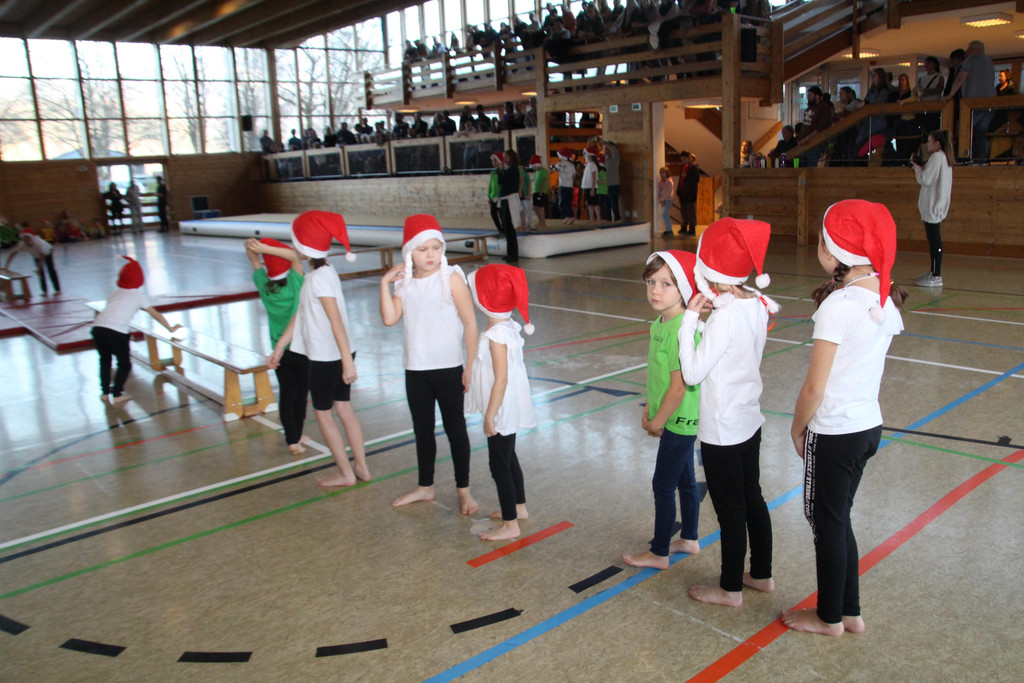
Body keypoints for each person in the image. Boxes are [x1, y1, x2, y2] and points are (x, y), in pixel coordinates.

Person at [783, 199, 906, 636]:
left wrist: (797, 429)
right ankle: (849, 612)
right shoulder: (883, 298)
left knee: (826, 524)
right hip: (867, 428)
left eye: (821, 239)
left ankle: (829, 617)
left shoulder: (839, 307)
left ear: (834, 252)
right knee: (838, 519)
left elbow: (814, 388)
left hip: (834, 432)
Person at [677, 217, 779, 607]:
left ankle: (730, 588)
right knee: (752, 498)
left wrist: (690, 322)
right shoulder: (755, 303)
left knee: (730, 510)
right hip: (748, 420)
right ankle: (762, 573)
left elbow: (692, 373)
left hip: (722, 430)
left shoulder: (723, 318)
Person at [382, 214, 480, 515]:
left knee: (455, 429)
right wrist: (385, 283)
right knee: (422, 430)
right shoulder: (404, 283)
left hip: (448, 368)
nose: (430, 255)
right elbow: (389, 318)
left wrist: (469, 366)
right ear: (410, 251)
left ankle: (463, 490)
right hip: (416, 370)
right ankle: (425, 486)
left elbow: (470, 323)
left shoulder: (451, 278)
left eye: (436, 248)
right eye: (423, 249)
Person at [269, 211, 370, 487]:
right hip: (338, 352)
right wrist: (281, 346)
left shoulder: (318, 279)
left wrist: (347, 362)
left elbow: (335, 319)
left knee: (324, 413)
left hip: (329, 356)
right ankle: (361, 467)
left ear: (303, 246)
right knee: (343, 408)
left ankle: (346, 473)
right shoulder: (323, 272)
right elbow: (301, 312)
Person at [622, 250, 702, 569]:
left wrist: (658, 421)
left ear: (684, 288)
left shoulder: (682, 330)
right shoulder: (660, 323)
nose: (655, 290)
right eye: (651, 282)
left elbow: (679, 387)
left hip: (678, 419)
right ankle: (690, 538)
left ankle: (659, 552)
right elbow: (658, 376)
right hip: (669, 415)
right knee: (685, 480)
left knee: (663, 485)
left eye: (666, 283)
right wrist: (650, 407)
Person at [465, 264, 537, 541]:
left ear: (485, 300)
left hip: (501, 408)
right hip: (507, 405)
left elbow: (501, 379)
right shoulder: (506, 326)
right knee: (509, 457)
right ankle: (518, 507)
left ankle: (510, 525)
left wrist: (489, 415)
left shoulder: (497, 336)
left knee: (499, 465)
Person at [246, 237, 308, 455]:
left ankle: (293, 437)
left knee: (287, 394)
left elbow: (254, 261)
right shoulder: (295, 283)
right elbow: (295, 258)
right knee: (301, 394)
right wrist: (265, 248)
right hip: (301, 348)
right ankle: (296, 435)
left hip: (278, 350)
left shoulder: (265, 286)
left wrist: (253, 248)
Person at [91, 256, 181, 404]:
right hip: (116, 331)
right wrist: (170, 328)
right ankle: (117, 394)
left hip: (98, 328)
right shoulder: (138, 296)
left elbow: (111, 311)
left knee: (105, 361)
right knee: (124, 364)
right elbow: (155, 314)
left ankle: (105, 392)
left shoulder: (115, 293)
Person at [912, 130, 953, 288]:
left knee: (935, 240)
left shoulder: (937, 157)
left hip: (933, 205)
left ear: (937, 143)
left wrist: (917, 167)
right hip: (935, 205)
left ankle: (936, 275)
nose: (927, 144)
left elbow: (926, 179)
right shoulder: (942, 157)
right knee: (934, 240)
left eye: (929, 141)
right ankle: (934, 271)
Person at [943, 41, 995, 161]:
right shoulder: (989, 62)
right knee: (981, 133)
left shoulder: (971, 60)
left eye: (969, 49)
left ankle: (965, 158)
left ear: (975, 49)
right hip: (990, 103)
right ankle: (981, 159)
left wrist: (950, 95)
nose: (967, 52)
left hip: (973, 103)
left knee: (966, 131)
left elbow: (960, 78)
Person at [5, 228, 61, 295]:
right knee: (40, 273)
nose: (26, 240)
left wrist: (38, 268)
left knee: (51, 270)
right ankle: (44, 291)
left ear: (31, 238)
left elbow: (42, 257)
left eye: (28, 238)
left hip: (47, 252)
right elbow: (13, 253)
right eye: (25, 239)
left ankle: (57, 290)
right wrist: (6, 266)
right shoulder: (21, 244)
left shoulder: (38, 243)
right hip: (36, 255)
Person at [497, 150, 523, 262]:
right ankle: (510, 253)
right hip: (505, 200)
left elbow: (502, 181)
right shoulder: (510, 170)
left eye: (506, 157)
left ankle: (513, 255)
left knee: (509, 228)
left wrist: (501, 170)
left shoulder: (513, 170)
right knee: (507, 228)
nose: (504, 159)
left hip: (509, 200)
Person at [677, 153, 700, 236]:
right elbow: (680, 180)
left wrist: (687, 176)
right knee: (683, 211)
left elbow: (696, 180)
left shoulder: (694, 168)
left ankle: (692, 228)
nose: (683, 161)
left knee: (690, 211)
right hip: (683, 192)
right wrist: (679, 190)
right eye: (682, 160)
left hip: (690, 192)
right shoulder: (684, 168)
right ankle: (684, 226)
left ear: (689, 158)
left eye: (684, 159)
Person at [554, 147, 576, 224]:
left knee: (566, 202)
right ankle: (567, 216)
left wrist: (569, 179)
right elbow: (552, 170)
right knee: (562, 203)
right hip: (562, 185)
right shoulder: (558, 164)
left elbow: (573, 175)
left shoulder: (571, 165)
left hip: (568, 186)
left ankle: (571, 216)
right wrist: (549, 165)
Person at [603, 139, 622, 221]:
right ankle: (608, 220)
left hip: (613, 185)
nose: (605, 150)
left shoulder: (615, 159)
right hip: (605, 185)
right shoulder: (604, 159)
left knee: (614, 204)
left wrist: (608, 144)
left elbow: (615, 151)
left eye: (607, 148)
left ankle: (617, 219)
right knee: (606, 205)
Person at [528, 154, 549, 232]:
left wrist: (541, 191)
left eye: (534, 167)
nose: (533, 168)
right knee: (535, 207)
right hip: (536, 192)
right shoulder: (537, 172)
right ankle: (541, 221)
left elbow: (545, 181)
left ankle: (543, 222)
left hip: (541, 192)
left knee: (540, 208)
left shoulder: (544, 171)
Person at [581, 147, 600, 222]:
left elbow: (594, 177)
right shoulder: (588, 165)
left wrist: (593, 188)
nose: (584, 155)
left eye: (585, 154)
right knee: (589, 203)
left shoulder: (592, 165)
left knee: (595, 203)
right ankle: (591, 217)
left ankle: (598, 217)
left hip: (591, 187)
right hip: (587, 186)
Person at [656, 166, 674, 237]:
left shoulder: (669, 182)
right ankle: (668, 229)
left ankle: (669, 230)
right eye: (661, 173)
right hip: (663, 200)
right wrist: (660, 199)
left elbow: (668, 192)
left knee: (664, 214)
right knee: (665, 215)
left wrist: (663, 199)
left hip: (668, 199)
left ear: (667, 173)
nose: (662, 174)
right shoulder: (660, 182)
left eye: (663, 173)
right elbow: (660, 191)